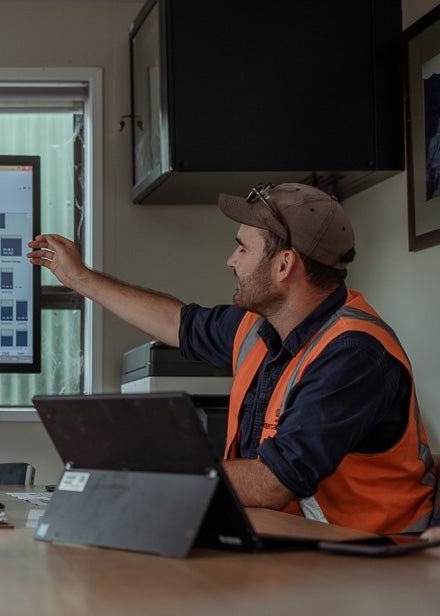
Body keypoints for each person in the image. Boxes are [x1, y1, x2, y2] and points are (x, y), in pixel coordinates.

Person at [27, 182, 435, 535]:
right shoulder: (258, 327)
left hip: (373, 567)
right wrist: (79, 277)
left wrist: (142, 477)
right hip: (291, 545)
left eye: (242, 248)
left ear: (284, 264)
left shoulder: (353, 355)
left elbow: (274, 482)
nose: (231, 260)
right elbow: (176, 321)